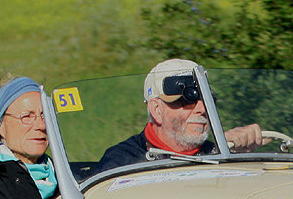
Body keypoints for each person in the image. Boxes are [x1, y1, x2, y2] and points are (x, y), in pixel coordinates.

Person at [96, 58, 266, 171]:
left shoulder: (219, 154)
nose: (202, 108)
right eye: (187, 100)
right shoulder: (121, 162)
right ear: (157, 110)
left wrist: (238, 157)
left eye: (207, 100)